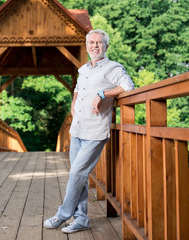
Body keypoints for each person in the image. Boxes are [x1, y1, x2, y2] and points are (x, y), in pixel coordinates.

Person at [44, 29, 134, 234]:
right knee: (79, 175)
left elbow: (128, 86)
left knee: (77, 173)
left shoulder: (113, 67)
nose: (95, 45)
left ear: (106, 46)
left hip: (95, 131)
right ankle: (81, 219)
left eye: (99, 43)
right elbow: (77, 90)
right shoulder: (83, 69)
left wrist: (103, 93)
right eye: (91, 42)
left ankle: (64, 214)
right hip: (77, 129)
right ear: (87, 46)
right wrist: (73, 104)